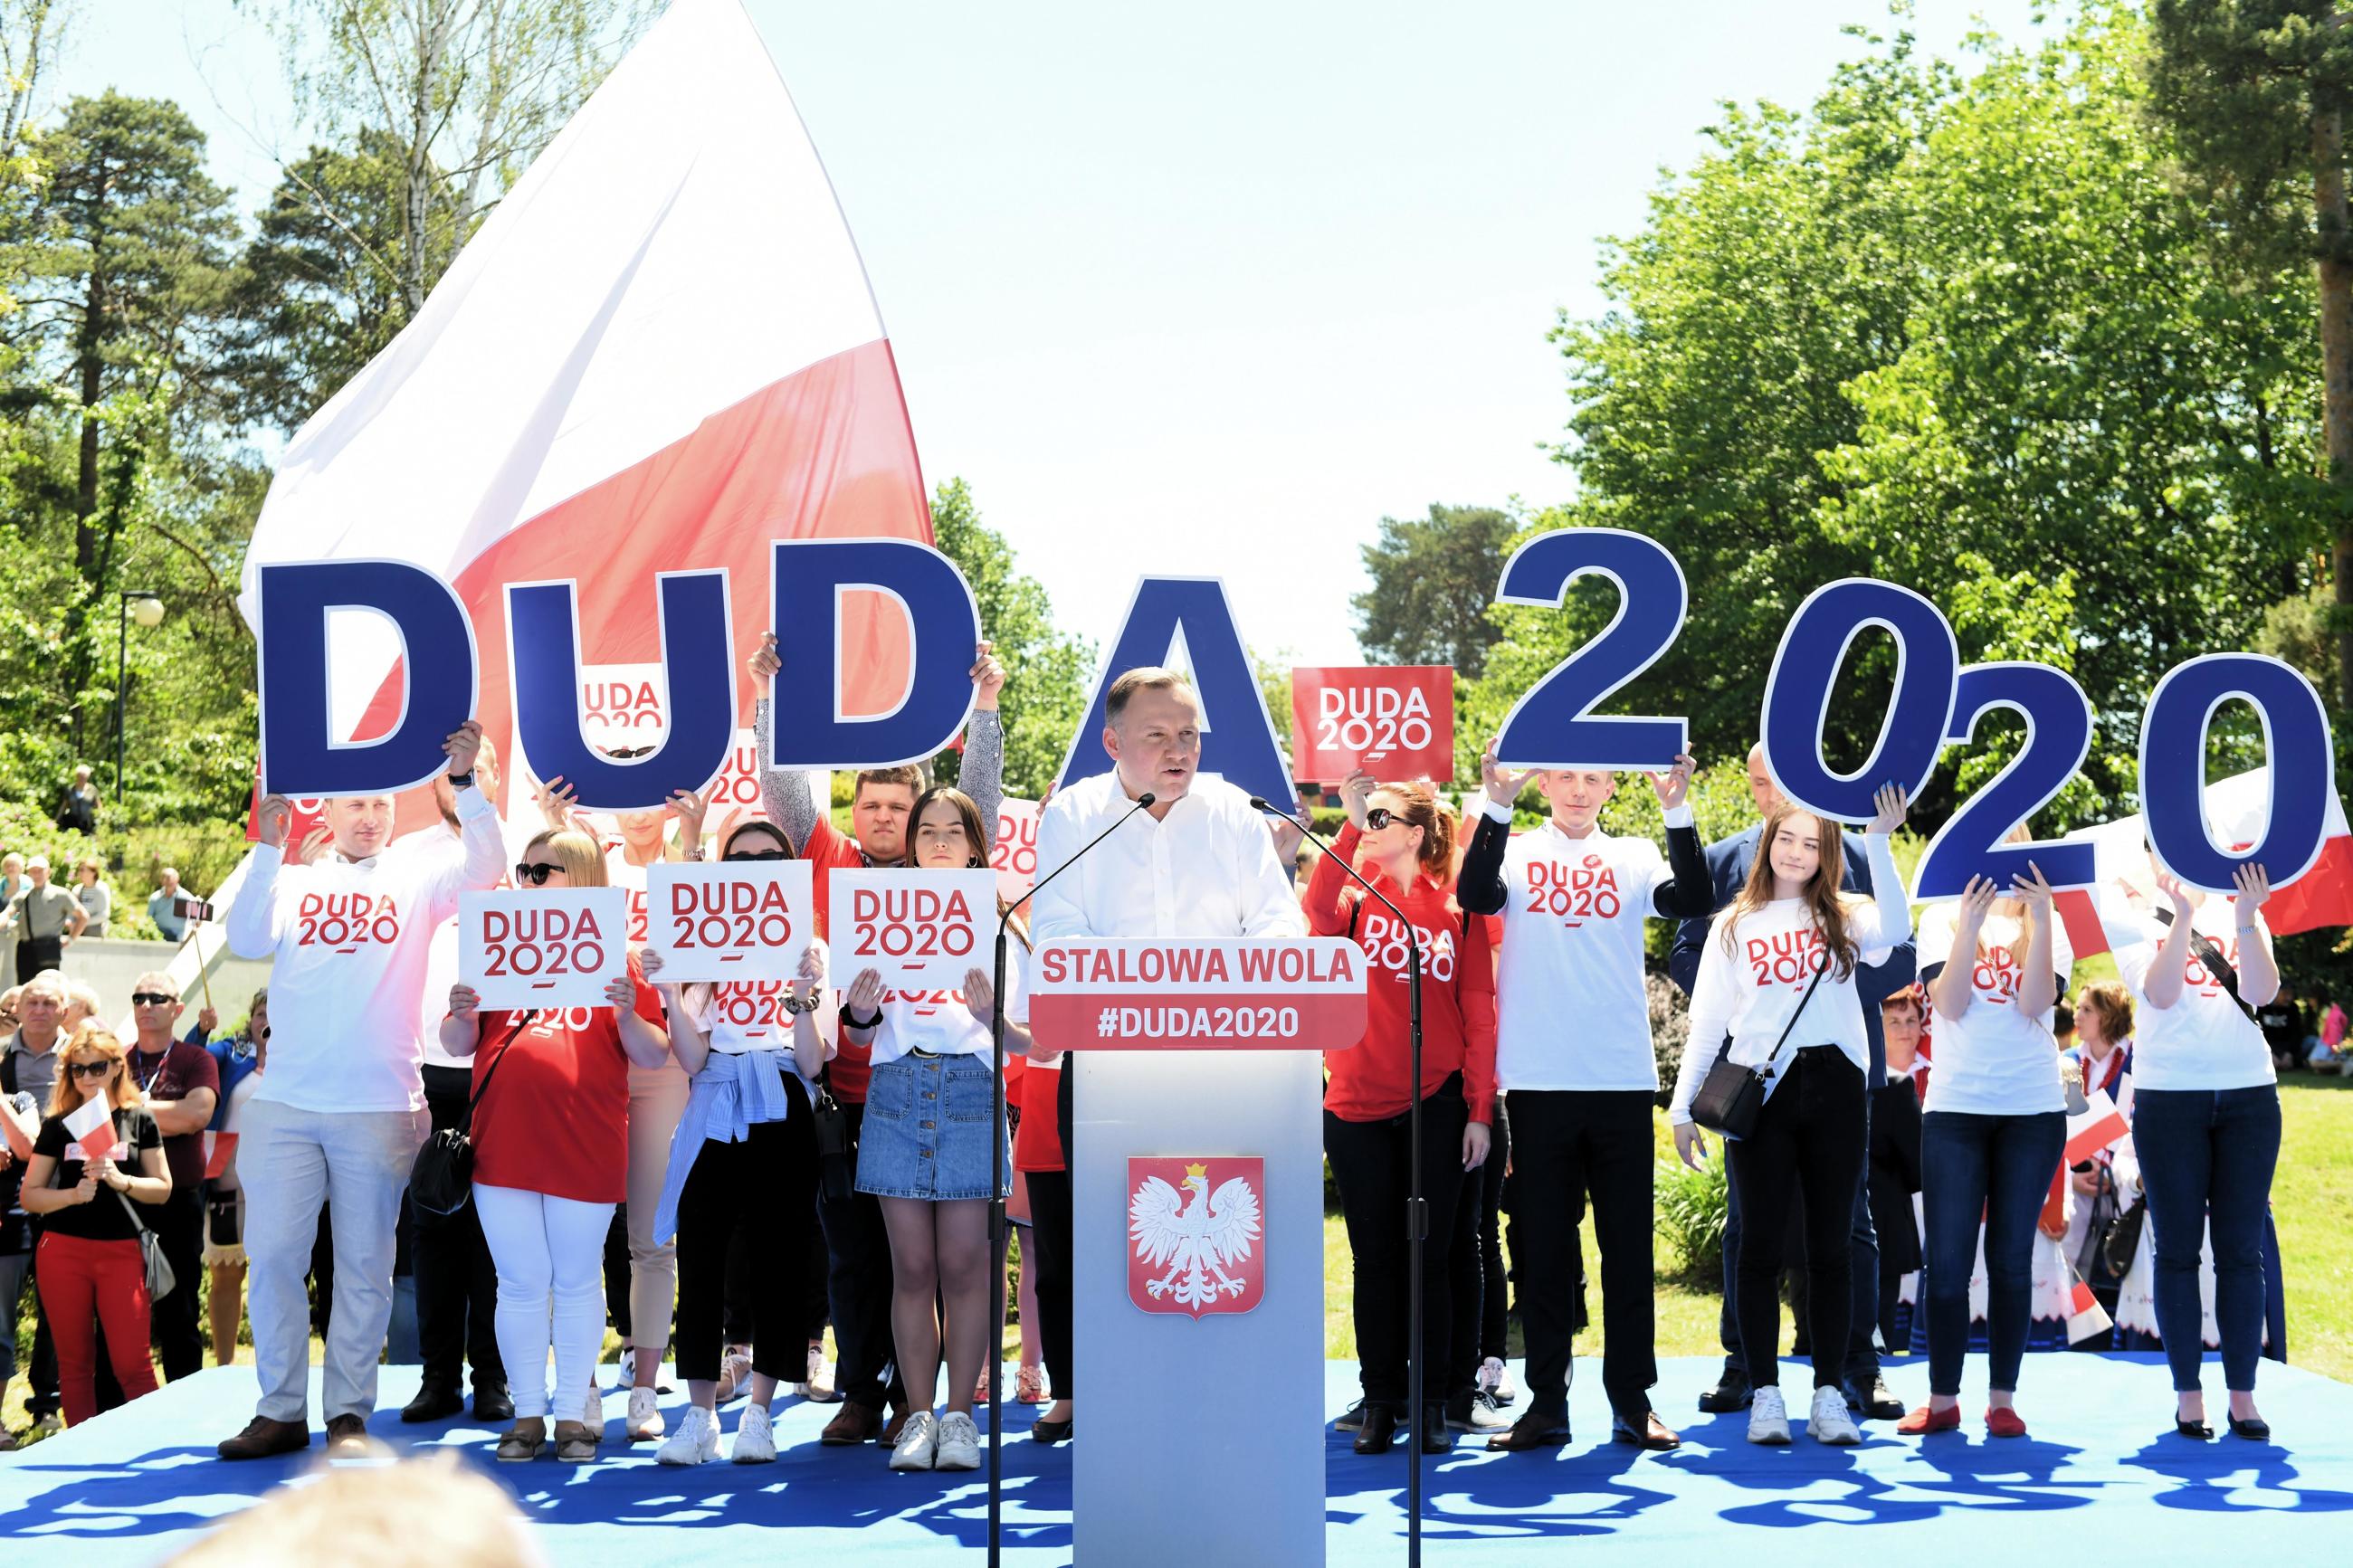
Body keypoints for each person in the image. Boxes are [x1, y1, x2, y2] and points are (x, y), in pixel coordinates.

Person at [1028, 666, 1308, 1450]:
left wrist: (1216, 987)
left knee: (1216, 1239)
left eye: (1188, 733)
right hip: (1109, 1067)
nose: (1177, 749)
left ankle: (1216, 1388)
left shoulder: (1234, 812)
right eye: (1156, 735)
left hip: (1221, 1068)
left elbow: (1277, 927)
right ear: (1114, 741)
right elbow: (1056, 929)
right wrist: (1141, 990)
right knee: (1100, 1236)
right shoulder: (1077, 814)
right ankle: (1097, 1395)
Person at [217, 720, 502, 1461]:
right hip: (285, 1106)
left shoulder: (416, 879)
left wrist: (467, 785)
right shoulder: (294, 878)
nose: (369, 815)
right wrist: (267, 845)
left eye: (379, 803)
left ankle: (347, 1412)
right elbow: (246, 938)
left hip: (379, 1105)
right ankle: (279, 1408)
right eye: (353, 804)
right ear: (329, 813)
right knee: (276, 1256)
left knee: (367, 1269)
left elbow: (487, 867)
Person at [754, 631, 1007, 1447]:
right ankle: (865, 1395)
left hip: (949, 1086)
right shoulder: (837, 865)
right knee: (863, 1261)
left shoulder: (962, 879)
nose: (891, 820)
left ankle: (928, 1406)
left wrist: (987, 713)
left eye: (905, 809)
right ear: (856, 814)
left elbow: (977, 807)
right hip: (855, 1092)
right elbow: (791, 804)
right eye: (875, 807)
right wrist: (771, 705)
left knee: (955, 1266)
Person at [1455, 740, 1709, 1452]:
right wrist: (1496, 801)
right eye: (1564, 775)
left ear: (1609, 787)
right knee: (1544, 1250)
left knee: (1627, 1249)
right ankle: (1547, 1404)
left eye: (1593, 777)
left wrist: (1677, 809)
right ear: (1543, 781)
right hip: (1537, 1081)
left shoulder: (1632, 855)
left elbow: (1693, 897)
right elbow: (1473, 897)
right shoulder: (1516, 849)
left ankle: (1632, 1401)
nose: (1577, 788)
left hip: (1621, 1080)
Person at [1668, 746, 1915, 1422]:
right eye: (1788, 838)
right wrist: (1681, 1108)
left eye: (1813, 842)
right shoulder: (1733, 925)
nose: (1799, 852)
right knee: (1758, 1245)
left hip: (1837, 1088)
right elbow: (1707, 1023)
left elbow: (1899, 930)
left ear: (1826, 850)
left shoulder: (1849, 913)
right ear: (1769, 841)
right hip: (1762, 1089)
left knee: (1833, 1245)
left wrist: (1879, 842)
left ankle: (1831, 1390)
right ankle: (1766, 1392)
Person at [442, 827, 673, 1464]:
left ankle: (572, 1414)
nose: (530, 881)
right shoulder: (498, 943)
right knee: (519, 1283)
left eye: (544, 870)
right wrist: (460, 1011)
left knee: (575, 1281)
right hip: (504, 1144)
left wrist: (629, 1013)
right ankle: (527, 1416)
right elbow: (458, 1043)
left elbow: (656, 1051)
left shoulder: (622, 957)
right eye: (526, 871)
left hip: (586, 1141)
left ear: (583, 873)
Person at [840, 785, 1027, 1473]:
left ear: (978, 844)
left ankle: (961, 1416)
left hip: (971, 1091)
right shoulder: (877, 913)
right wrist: (858, 1012)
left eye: (956, 830)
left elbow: (1029, 1040)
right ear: (912, 844)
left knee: (965, 1263)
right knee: (911, 1266)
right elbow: (855, 1036)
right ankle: (917, 1414)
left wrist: (990, 1018)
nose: (941, 841)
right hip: (896, 1092)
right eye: (929, 831)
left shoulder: (1001, 921)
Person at [1310, 770, 1497, 1457]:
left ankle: (1436, 1402)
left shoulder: (1459, 906)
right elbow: (1317, 905)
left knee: (1433, 1255)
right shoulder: (1353, 899)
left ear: (1416, 834)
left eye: (1383, 817)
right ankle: (1382, 1399)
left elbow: (1479, 1007)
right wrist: (1352, 820)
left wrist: (1479, 1107)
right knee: (1376, 1259)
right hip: (1355, 1103)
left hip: (1437, 1101)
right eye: (1366, 819)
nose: (1370, 825)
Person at [645, 818, 833, 1467]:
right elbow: (692, 1058)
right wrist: (671, 993)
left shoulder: (809, 948)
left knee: (779, 1259)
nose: (755, 864)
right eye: (741, 856)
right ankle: (699, 1416)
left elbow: (812, 1062)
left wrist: (805, 999)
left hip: (780, 1102)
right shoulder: (701, 946)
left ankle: (760, 1411)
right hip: (715, 1103)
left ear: (788, 865)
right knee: (700, 1257)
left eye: (769, 855)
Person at [2110, 858, 2282, 1440]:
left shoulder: (2243, 894)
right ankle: (2189, 1395)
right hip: (2169, 1099)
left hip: (2249, 1097)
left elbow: (2262, 992)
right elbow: (2159, 993)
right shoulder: (2128, 906)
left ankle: (2243, 1396)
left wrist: (2245, 918)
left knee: (2241, 1251)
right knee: (2178, 1251)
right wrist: (2181, 917)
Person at [1900, 866, 2069, 1437]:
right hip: (1955, 1110)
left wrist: (2042, 919)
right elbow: (1946, 1006)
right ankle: (1942, 1397)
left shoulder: (2051, 920)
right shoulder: (1942, 918)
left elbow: (2034, 1003)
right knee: (1946, 1264)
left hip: (2032, 1111)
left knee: (2009, 1260)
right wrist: (1969, 924)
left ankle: (2002, 1399)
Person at [18, 1023, 170, 1426]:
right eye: (77, 1070)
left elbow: (163, 1188)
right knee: (74, 1365)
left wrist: (122, 1181)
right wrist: (70, 1195)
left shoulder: (139, 1119)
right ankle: (79, 1450)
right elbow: (30, 1194)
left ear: (117, 1067)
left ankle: (151, 1445)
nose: (87, 1078)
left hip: (121, 1252)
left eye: (97, 1067)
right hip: (63, 1251)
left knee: (132, 1363)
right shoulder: (57, 1124)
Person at [120, 974, 219, 1384]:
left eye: (157, 998)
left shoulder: (196, 1059)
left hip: (179, 1198)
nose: (146, 1005)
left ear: (178, 1009)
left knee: (179, 1310)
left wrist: (129, 1109)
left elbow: (196, 1116)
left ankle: (186, 1400)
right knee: (122, 1310)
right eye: (139, 997)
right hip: (124, 1199)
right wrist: (168, 1113)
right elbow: (95, 1116)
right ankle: (116, 1408)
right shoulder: (117, 1059)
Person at [1, 971, 71, 1434]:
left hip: (64, 1190)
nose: (39, 1010)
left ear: (64, 1009)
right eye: (32, 1001)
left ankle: (47, 1403)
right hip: (10, 1195)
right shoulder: (5, 1055)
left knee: (56, 1303)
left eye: (49, 1002)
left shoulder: (81, 1054)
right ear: (19, 1008)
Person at [203, 992, 268, 1366]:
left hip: (283, 1188)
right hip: (230, 1184)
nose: (267, 1021)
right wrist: (202, 1031)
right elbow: (193, 1059)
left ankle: (272, 1363)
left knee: (276, 1278)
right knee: (227, 1278)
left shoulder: (304, 1057)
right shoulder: (231, 1053)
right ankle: (225, 1366)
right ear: (250, 1019)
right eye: (260, 1013)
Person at [1869, 989, 1927, 1354]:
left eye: (1911, 1020)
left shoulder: (1941, 1073)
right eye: (1894, 1021)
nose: (1905, 1029)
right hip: (1890, 1204)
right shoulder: (1873, 1079)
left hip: (1923, 1201)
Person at [5, 856, 88, 982]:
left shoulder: (61, 894)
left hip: (48, 948)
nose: (36, 874)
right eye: (33, 871)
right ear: (29, 873)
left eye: (40, 871)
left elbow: (83, 916)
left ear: (48, 872)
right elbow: (7, 914)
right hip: (25, 949)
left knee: (49, 988)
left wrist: (71, 939)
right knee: (24, 989)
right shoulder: (22, 896)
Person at [148, 869, 195, 944]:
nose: (169, 881)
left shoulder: (187, 898)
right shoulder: (154, 898)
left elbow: (194, 920)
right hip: (158, 936)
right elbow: (148, 919)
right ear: (161, 880)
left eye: (171, 878)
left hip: (179, 937)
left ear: (177, 879)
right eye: (166, 878)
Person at [72, 859, 112, 939]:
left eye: (83, 870)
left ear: (93, 872)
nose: (80, 873)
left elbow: (104, 915)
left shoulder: (102, 889)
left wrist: (83, 922)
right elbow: (72, 911)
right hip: (78, 933)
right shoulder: (77, 889)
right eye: (80, 870)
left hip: (96, 933)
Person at [56, 766, 99, 835]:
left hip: (87, 823)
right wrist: (56, 820)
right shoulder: (70, 790)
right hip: (72, 822)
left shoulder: (92, 790)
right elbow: (63, 807)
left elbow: (98, 807)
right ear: (76, 776)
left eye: (84, 776)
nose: (82, 778)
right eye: (80, 776)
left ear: (87, 777)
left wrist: (103, 821)